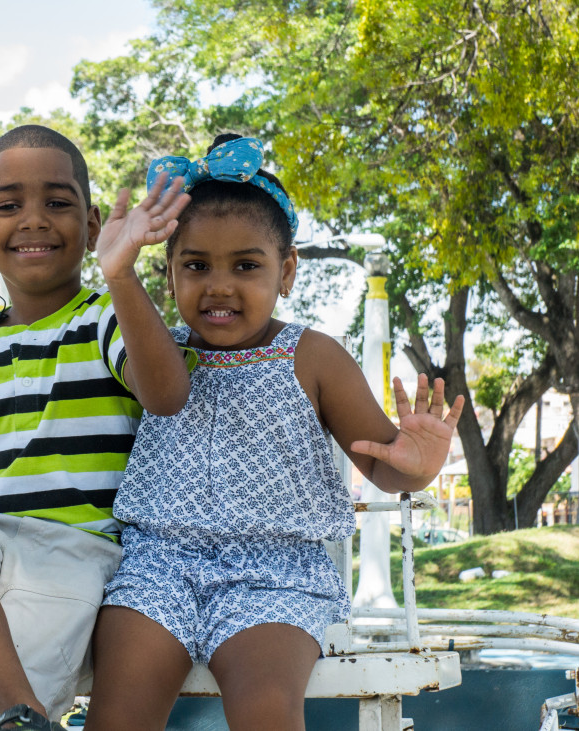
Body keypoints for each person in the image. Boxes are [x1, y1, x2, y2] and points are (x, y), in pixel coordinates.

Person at [84, 135, 466, 731]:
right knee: (118, 714)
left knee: (266, 709)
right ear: (170, 274)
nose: (219, 285)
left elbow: (381, 463)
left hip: (277, 575)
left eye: (246, 265)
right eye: (196, 265)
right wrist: (120, 275)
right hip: (158, 564)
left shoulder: (313, 356)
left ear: (286, 271)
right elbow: (158, 389)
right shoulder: (158, 350)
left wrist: (417, 464)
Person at [0, 124, 193, 731]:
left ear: (92, 225)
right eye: (8, 206)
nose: (34, 220)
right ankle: (23, 714)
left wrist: (122, 275)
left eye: (57, 202)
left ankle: (16, 715)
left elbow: (167, 396)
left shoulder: (108, 319)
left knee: (34, 620)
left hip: (84, 553)